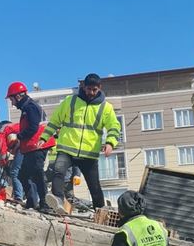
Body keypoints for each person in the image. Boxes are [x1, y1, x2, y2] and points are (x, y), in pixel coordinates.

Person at [39, 73, 121, 213]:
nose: (91, 92)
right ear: (83, 87)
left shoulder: (105, 107)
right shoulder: (70, 101)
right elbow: (55, 121)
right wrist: (44, 137)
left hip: (89, 153)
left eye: (94, 90)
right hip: (67, 148)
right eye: (89, 89)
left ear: (99, 88)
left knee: (94, 187)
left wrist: (110, 143)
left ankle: (100, 213)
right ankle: (57, 201)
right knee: (58, 172)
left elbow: (114, 126)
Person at [7, 82, 56, 212]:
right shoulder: (28, 107)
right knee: (24, 174)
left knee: (37, 173)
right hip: (33, 146)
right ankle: (32, 202)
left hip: (38, 145)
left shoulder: (30, 107)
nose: (12, 103)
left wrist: (18, 137)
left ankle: (45, 204)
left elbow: (33, 127)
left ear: (18, 96)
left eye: (12, 99)